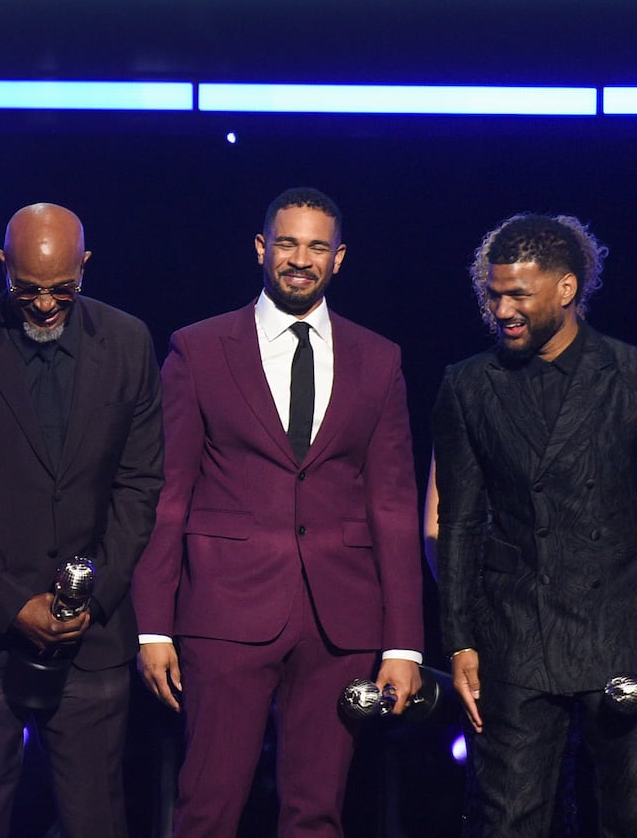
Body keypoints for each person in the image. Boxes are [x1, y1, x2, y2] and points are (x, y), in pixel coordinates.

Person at [132, 187, 424, 838]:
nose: (300, 258)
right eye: (287, 243)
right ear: (262, 248)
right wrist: (153, 624)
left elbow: (394, 505)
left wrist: (403, 641)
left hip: (340, 618)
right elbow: (167, 492)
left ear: (339, 258)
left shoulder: (379, 360)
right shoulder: (199, 348)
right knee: (207, 807)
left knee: (317, 814)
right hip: (224, 611)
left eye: (317, 246)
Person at [0, 202, 164, 838]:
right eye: (27, 290)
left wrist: (89, 597)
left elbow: (140, 485)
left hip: (89, 636)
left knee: (94, 820)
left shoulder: (128, 344)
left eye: (62, 290)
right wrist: (13, 602)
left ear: (85, 267)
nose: (46, 305)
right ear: (2, 266)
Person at [434, 212, 637, 835]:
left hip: (619, 633)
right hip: (514, 634)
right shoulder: (468, 385)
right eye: (493, 294)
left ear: (567, 289)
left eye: (518, 294)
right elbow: (459, 522)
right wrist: (461, 640)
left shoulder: (628, 378)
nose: (502, 309)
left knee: (624, 815)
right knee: (508, 820)